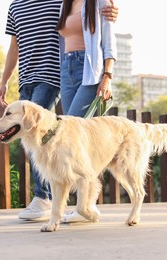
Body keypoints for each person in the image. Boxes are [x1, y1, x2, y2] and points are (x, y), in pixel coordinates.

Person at [0, 0, 118, 221]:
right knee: (68, 141)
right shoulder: (57, 4)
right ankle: (81, 204)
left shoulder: (77, 2)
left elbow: (106, 32)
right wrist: (4, 80)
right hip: (55, 71)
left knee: (62, 135)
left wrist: (108, 75)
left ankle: (65, 201)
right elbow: (16, 44)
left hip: (71, 72)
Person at [57, 0, 117, 223]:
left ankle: (86, 205)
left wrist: (107, 77)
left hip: (89, 69)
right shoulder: (63, 3)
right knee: (78, 142)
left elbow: (109, 42)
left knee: (70, 136)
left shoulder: (99, 1)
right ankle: (85, 206)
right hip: (66, 68)